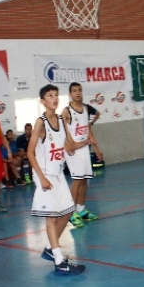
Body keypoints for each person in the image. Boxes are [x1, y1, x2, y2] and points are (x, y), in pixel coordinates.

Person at [28, 84, 85, 276]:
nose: (54, 98)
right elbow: (29, 153)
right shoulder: (40, 123)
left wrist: (86, 141)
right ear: (43, 101)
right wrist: (42, 178)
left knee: (68, 212)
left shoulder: (61, 120)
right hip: (44, 174)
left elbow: (70, 144)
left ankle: (49, 249)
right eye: (49, 96)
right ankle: (59, 261)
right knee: (51, 217)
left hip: (58, 173)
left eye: (55, 95)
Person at [62, 82, 103, 228]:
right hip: (73, 148)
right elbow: (61, 132)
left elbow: (88, 129)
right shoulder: (66, 111)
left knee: (85, 180)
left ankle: (81, 210)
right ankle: (71, 213)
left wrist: (96, 148)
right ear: (70, 94)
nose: (77, 93)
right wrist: (67, 145)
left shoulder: (85, 109)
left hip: (85, 147)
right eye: (74, 91)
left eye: (79, 90)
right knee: (77, 180)